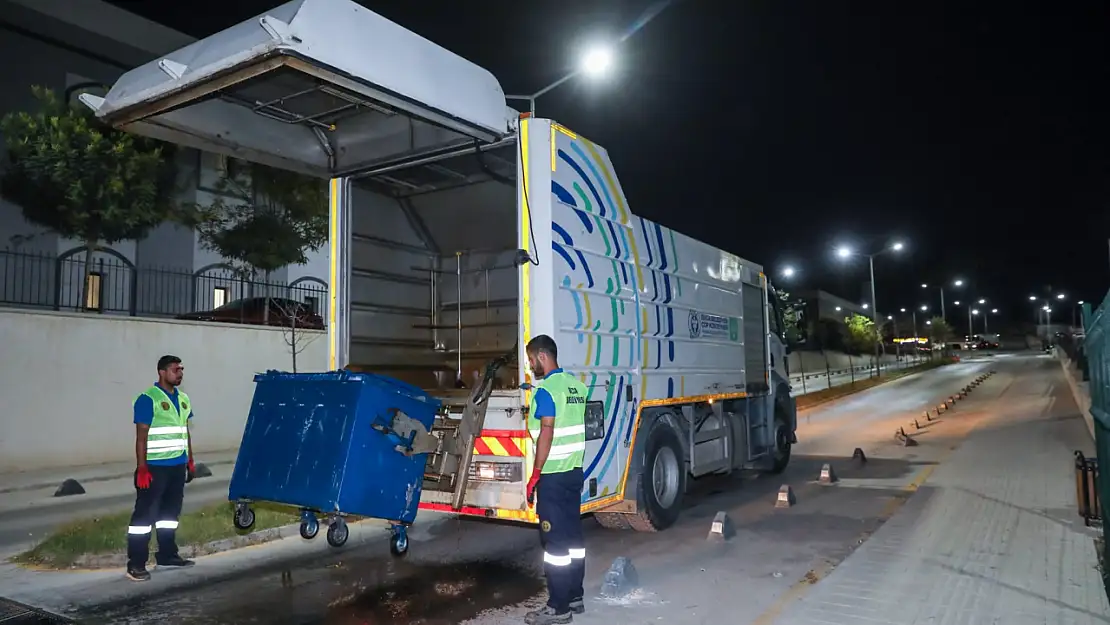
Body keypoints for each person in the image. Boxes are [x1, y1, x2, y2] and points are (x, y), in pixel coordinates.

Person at [523, 335, 588, 625]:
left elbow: (547, 431)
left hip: (553, 477)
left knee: (555, 546)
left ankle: (558, 608)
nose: (530, 365)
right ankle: (575, 595)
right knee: (573, 538)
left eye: (531, 360)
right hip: (574, 473)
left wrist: (535, 474)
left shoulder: (546, 392)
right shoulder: (577, 387)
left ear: (541, 356)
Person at [126, 355, 197, 581]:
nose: (180, 373)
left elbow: (185, 432)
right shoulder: (148, 399)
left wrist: (190, 461)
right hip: (154, 469)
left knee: (169, 515)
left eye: (181, 369)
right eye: (176, 369)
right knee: (144, 517)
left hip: (177, 465)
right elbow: (141, 437)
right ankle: (136, 564)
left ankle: (167, 555)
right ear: (162, 372)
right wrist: (142, 467)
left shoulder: (184, 399)